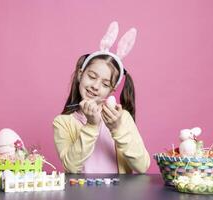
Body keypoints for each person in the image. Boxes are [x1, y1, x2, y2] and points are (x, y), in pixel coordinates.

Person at [53, 21, 150, 173]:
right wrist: (91, 125)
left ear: (112, 91)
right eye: (92, 76)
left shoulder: (122, 117)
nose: (95, 86)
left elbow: (142, 166)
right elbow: (71, 167)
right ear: (80, 74)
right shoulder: (62, 122)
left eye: (105, 84)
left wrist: (117, 128)